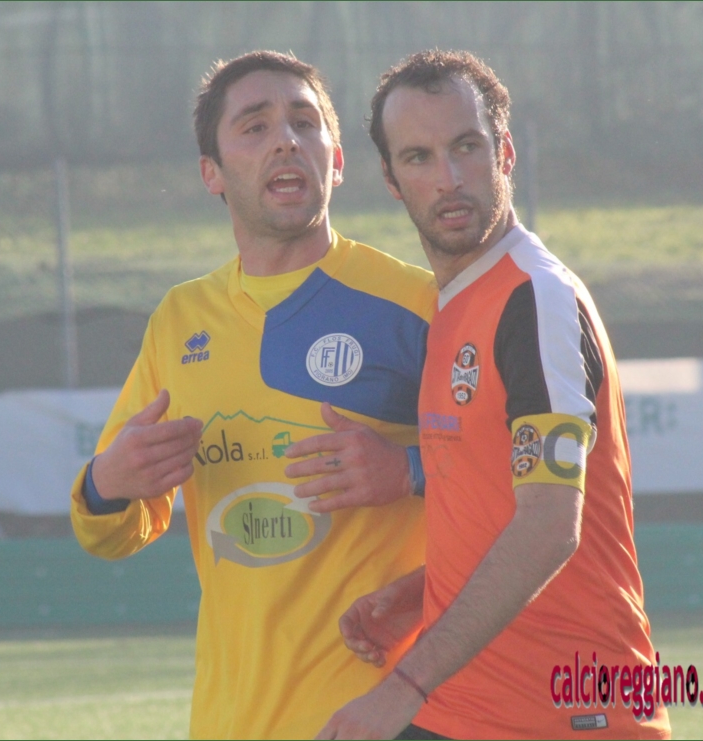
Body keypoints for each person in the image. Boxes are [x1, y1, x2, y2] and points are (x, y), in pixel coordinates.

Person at [70, 51, 437, 740]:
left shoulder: (418, 305)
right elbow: (113, 531)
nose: (285, 140)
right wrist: (105, 483)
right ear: (211, 172)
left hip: (381, 716)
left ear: (336, 160)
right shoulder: (180, 320)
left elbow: (508, 485)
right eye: (255, 126)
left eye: (304, 122)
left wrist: (407, 471)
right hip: (229, 720)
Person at [318, 50, 671, 740]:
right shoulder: (456, 303)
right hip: (465, 709)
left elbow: (550, 523)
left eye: (466, 147)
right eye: (418, 157)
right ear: (391, 179)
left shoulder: (534, 299)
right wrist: (424, 592)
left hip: (569, 715)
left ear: (504, 152)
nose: (448, 179)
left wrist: (403, 686)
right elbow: (497, 505)